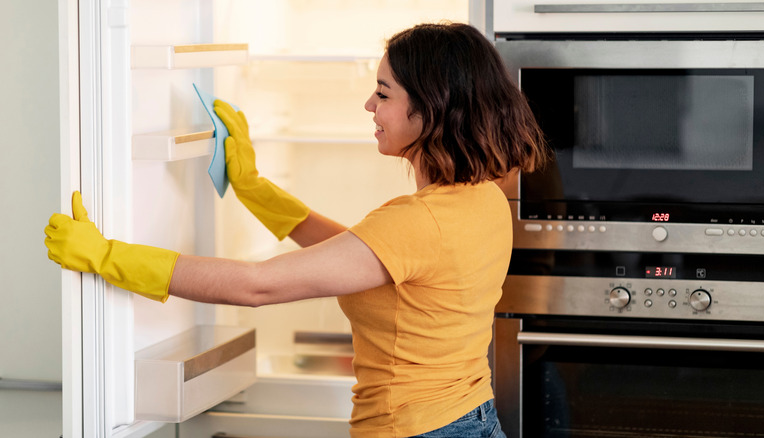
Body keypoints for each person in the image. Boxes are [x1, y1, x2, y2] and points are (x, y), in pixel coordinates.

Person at [45, 22, 548, 438]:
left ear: (431, 107)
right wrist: (252, 185)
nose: (369, 106)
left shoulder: (419, 221)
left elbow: (256, 285)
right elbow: (361, 251)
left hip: (416, 429)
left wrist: (108, 255)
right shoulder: (482, 198)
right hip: (473, 420)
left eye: (382, 93)